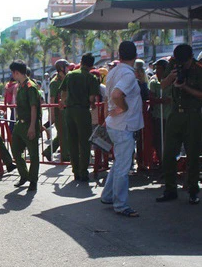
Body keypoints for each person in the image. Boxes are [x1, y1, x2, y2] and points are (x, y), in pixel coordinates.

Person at [100, 41, 144, 217]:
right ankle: (121, 204)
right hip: (123, 124)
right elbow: (117, 95)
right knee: (122, 167)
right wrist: (123, 107)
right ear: (135, 56)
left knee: (119, 163)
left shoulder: (113, 72)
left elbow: (111, 96)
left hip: (116, 124)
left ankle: (109, 196)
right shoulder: (127, 74)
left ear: (119, 55)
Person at [156, 44, 202, 204]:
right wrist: (171, 78)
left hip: (193, 115)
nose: (182, 65)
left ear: (191, 58)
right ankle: (170, 189)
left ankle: (193, 189)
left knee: (193, 155)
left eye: (185, 62)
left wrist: (185, 87)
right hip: (175, 114)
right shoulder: (173, 65)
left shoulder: (198, 69)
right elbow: (162, 85)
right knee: (168, 153)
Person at [59, 52, 100, 182]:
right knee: (84, 143)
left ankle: (75, 171)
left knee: (72, 141)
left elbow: (63, 93)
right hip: (83, 111)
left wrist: (63, 103)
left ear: (81, 62)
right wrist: (92, 104)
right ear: (92, 65)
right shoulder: (91, 78)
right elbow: (91, 98)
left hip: (69, 111)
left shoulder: (70, 75)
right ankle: (83, 172)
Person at [9, 60, 40, 192]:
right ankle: (24, 175)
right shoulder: (20, 86)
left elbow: (34, 108)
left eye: (13, 73)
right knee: (15, 150)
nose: (12, 75)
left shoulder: (30, 86)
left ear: (17, 72)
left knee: (33, 154)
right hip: (19, 124)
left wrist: (32, 126)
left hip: (29, 123)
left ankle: (33, 180)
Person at [43, 59, 70, 162]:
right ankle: (65, 156)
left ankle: (47, 151)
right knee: (63, 135)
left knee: (62, 134)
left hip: (66, 111)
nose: (68, 69)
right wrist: (52, 115)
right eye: (66, 67)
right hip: (59, 112)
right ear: (61, 69)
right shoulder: (55, 82)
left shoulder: (67, 79)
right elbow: (52, 99)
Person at [148, 58, 172, 165]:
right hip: (158, 116)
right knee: (157, 141)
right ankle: (161, 161)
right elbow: (152, 99)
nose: (157, 71)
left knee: (169, 142)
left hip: (169, 117)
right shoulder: (153, 83)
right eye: (156, 69)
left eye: (160, 69)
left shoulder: (172, 82)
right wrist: (161, 100)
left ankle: (169, 162)